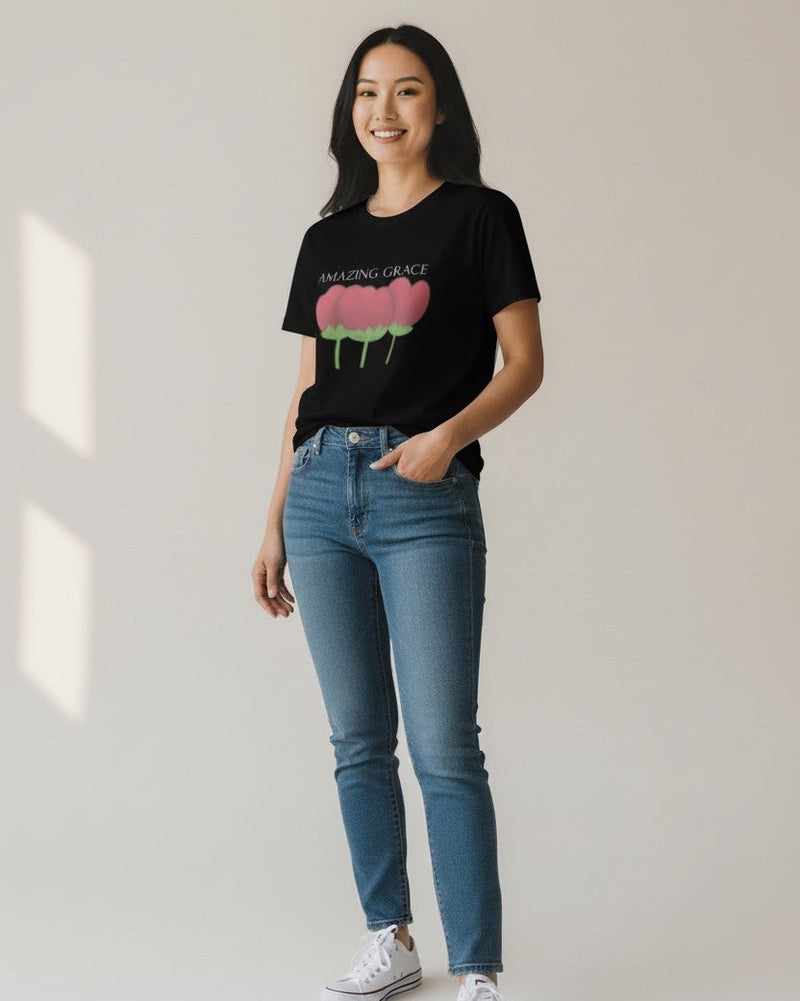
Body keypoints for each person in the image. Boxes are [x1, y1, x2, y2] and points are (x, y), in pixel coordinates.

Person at [252, 23, 543, 1001]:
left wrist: (445, 434)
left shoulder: (479, 218)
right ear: (349, 111)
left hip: (424, 497)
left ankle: (478, 969)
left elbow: (526, 364)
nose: (383, 110)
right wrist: (273, 519)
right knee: (355, 738)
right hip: (322, 495)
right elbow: (304, 391)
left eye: (406, 91)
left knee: (443, 743)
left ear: (440, 108)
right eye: (367, 92)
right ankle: (390, 932)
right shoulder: (325, 239)